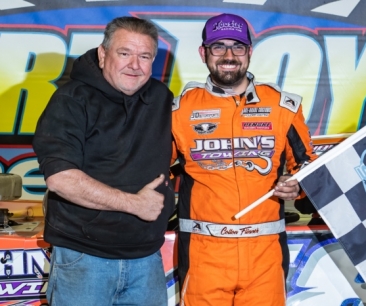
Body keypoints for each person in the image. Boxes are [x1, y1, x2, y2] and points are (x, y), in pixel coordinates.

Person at [171, 13, 317, 306]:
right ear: (203, 53)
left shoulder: (282, 106)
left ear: (249, 52)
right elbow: (151, 171)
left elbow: (310, 168)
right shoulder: (178, 110)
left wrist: (297, 185)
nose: (228, 56)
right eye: (218, 47)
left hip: (265, 255)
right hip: (203, 254)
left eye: (237, 47)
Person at [33, 16, 174, 306]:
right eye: (125, 53)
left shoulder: (162, 98)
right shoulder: (71, 100)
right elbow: (61, 178)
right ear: (102, 54)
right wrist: (136, 204)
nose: (135, 65)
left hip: (146, 257)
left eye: (144, 56)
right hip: (85, 257)